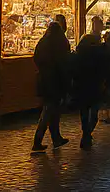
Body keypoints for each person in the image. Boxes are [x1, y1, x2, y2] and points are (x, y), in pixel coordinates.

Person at [32, 20, 71, 152]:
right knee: (50, 110)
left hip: (44, 80)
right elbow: (63, 64)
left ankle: (56, 138)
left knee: (52, 110)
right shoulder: (60, 43)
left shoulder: (43, 42)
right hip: (55, 81)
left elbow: (36, 58)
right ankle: (38, 140)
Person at [73, 16, 109, 148]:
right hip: (95, 87)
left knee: (84, 112)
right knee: (94, 113)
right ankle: (87, 135)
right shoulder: (100, 54)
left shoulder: (79, 55)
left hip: (82, 87)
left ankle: (86, 134)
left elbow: (75, 70)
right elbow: (104, 70)